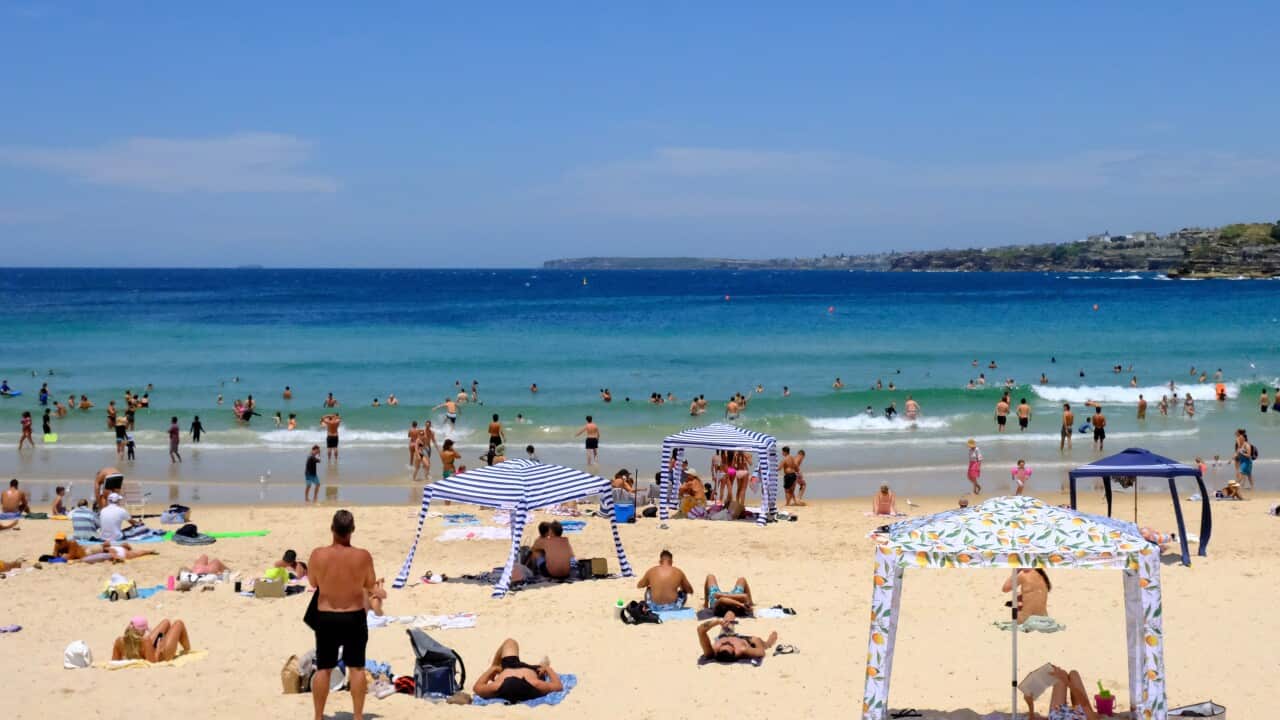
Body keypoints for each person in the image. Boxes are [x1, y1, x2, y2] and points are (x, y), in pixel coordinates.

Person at [309, 510, 383, 720]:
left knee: (324, 668)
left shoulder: (317, 555)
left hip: (326, 616)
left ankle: (318, 715)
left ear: (332, 529)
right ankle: (358, 716)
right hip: (353, 616)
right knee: (357, 668)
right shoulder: (362, 556)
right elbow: (370, 584)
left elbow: (313, 582)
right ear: (352, 530)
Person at [472, 638, 563, 704]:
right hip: (533, 670)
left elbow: (476, 687)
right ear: (524, 681)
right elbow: (558, 686)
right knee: (542, 665)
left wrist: (493, 668)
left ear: (504, 682)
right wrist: (547, 668)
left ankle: (495, 665)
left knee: (510, 642)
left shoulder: (497, 686)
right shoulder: (535, 683)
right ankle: (543, 663)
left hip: (508, 667)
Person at [1022, 665, 1099, 720]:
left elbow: (1033, 719)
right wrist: (1067, 682)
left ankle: (1062, 675)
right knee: (1073, 674)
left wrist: (1030, 705)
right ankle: (1063, 676)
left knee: (1061, 677)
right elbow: (1084, 703)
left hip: (1057, 714)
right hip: (1082, 715)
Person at [697, 611, 777, 664]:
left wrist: (717, 622)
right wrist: (754, 640)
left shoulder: (711, 652)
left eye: (723, 644)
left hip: (725, 634)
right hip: (744, 640)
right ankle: (769, 643)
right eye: (731, 645)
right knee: (761, 641)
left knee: (729, 613)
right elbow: (761, 652)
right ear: (735, 652)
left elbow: (700, 630)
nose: (729, 642)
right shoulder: (743, 649)